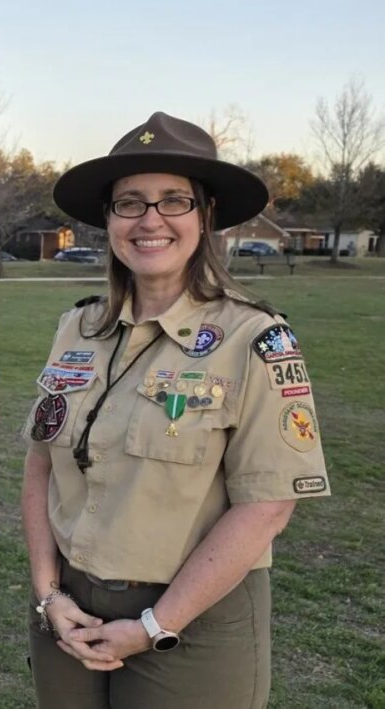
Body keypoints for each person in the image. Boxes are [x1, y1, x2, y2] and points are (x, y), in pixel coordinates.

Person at [20, 111, 330, 708]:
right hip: (69, 610)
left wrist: (154, 625)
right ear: (108, 220)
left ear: (206, 215)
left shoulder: (254, 339)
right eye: (129, 203)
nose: (150, 220)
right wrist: (48, 595)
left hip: (192, 620)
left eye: (174, 201)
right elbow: (41, 463)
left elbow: (267, 506)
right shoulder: (76, 330)